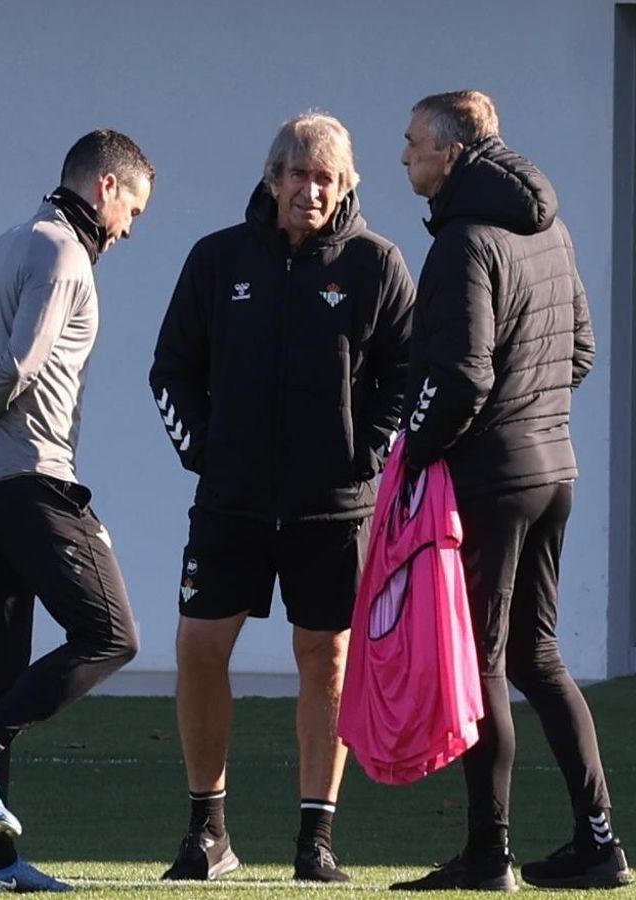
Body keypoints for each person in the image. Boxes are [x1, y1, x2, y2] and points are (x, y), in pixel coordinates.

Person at [148, 111, 415, 884]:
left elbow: (405, 377)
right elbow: (170, 369)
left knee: (325, 658)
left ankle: (316, 839)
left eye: (327, 178)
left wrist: (365, 460)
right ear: (272, 180)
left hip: (331, 510)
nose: (312, 190)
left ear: (346, 186)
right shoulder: (216, 260)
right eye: (298, 175)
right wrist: (206, 452)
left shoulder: (376, 264)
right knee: (198, 649)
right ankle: (209, 832)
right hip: (229, 503)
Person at [388, 91, 631, 892]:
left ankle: (488, 855)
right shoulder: (548, 228)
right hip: (554, 469)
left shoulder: (464, 241)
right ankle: (600, 842)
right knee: (538, 656)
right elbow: (582, 352)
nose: (405, 156)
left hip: (493, 479)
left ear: (454, 152)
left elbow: (460, 376)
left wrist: (415, 453)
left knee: (487, 659)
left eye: (415, 142)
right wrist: (533, 417)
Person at [0, 128, 153, 894]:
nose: (129, 229)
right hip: (26, 478)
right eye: (134, 210)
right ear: (105, 187)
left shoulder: (4, 246)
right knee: (111, 633)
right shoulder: (62, 253)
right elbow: (16, 367)